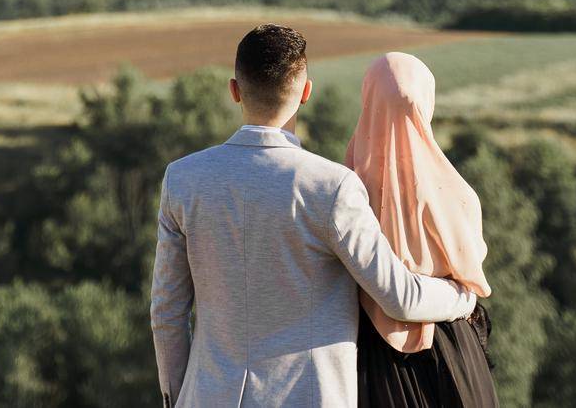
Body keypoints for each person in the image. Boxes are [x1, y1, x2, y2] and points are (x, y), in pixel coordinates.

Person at [150, 24, 477, 408]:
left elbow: (167, 313)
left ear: (234, 90)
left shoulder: (183, 179)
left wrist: (177, 396)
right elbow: (399, 298)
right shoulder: (332, 187)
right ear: (306, 92)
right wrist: (462, 298)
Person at [346, 52, 498, 408]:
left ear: (368, 100)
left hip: (369, 361)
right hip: (454, 352)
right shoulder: (457, 194)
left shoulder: (344, 187)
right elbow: (470, 281)